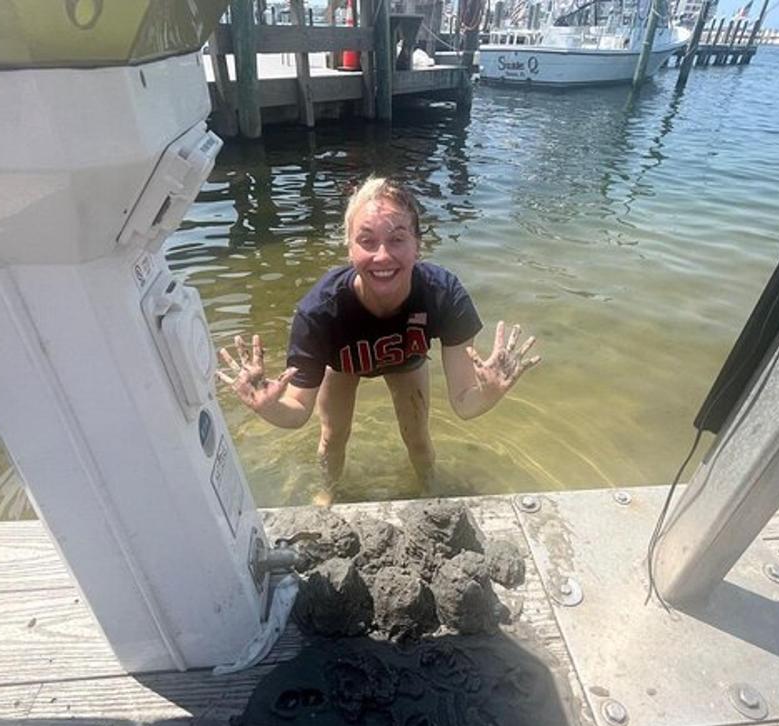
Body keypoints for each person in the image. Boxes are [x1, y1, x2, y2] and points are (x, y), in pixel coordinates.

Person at [216, 176, 539, 502]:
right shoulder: (320, 312)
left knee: (418, 438)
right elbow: (297, 410)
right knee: (332, 436)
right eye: (367, 240)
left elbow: (465, 404)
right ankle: (329, 490)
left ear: (418, 245)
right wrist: (269, 407)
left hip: (406, 361)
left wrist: (490, 391)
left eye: (397, 239)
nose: (382, 256)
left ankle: (429, 490)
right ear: (349, 248)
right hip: (342, 364)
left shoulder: (443, 295)